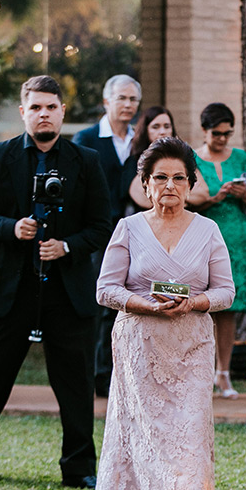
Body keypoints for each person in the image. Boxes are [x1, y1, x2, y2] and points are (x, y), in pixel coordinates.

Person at [0, 75, 112, 488]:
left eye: (51, 107)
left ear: (62, 111)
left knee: (76, 383)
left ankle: (79, 468)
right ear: (23, 111)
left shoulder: (86, 160)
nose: (44, 114)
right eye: (36, 107)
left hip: (67, 290)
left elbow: (103, 225)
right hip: (11, 287)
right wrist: (12, 228)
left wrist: (67, 247)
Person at [93, 136, 234, 490]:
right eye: (160, 178)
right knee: (144, 432)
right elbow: (105, 288)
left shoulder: (208, 230)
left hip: (191, 343)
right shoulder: (129, 228)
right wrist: (145, 305)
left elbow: (226, 291)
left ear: (190, 183)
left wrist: (193, 302)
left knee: (191, 427)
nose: (169, 185)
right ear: (145, 184)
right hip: (141, 343)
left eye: (178, 177)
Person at [72, 75, 143, 398]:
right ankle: (98, 377)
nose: (128, 105)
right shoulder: (86, 139)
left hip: (138, 234)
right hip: (98, 234)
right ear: (106, 102)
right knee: (101, 305)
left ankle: (126, 375)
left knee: (134, 302)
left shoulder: (139, 141)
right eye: (122, 99)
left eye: (133, 100)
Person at [190, 103, 246, 399]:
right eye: (216, 133)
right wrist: (213, 198)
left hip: (235, 237)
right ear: (204, 130)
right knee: (200, 304)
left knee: (229, 307)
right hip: (202, 235)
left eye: (227, 133)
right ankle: (200, 372)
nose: (222, 138)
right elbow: (187, 200)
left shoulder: (241, 158)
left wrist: (242, 194)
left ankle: (223, 373)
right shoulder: (193, 158)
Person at [126, 105, 210, 210]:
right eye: (155, 127)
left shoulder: (183, 158)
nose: (162, 131)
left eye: (167, 126)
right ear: (145, 130)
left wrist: (168, 199)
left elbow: (202, 194)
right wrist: (182, 196)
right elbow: (140, 197)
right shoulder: (134, 161)